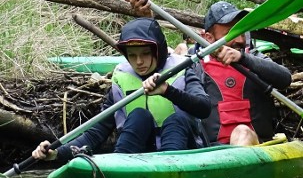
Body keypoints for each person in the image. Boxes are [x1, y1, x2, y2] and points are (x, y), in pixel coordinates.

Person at [32, 18, 211, 163]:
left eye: (145, 54)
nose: (139, 61)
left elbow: (204, 108)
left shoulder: (182, 70)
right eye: (132, 55)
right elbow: (96, 132)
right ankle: (121, 164)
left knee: (177, 119)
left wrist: (167, 90)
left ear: (159, 51)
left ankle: (170, 168)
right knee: (139, 115)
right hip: (140, 159)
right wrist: (57, 153)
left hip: (183, 154)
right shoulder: (122, 78)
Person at [130, 0, 293, 147]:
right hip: (211, 151)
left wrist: (243, 58)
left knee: (241, 132)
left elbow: (285, 79)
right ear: (208, 37)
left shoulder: (254, 57)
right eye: (231, 33)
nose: (240, 40)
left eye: (242, 31)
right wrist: (147, 20)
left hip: (259, 145)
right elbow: (157, 64)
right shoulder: (193, 62)